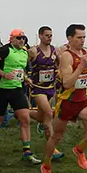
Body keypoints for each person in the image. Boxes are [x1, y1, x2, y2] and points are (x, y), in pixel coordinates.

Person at [41, 24, 87, 173]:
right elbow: (68, 83)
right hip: (67, 101)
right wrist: (82, 67)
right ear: (69, 38)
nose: (82, 40)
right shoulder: (66, 56)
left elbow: (81, 75)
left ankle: (79, 149)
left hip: (83, 99)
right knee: (56, 136)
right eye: (79, 37)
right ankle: (46, 166)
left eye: (84, 37)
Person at [0, 28, 39, 163]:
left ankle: (27, 151)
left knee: (25, 118)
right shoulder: (5, 50)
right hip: (2, 90)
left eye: (23, 38)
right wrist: (3, 74)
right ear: (12, 39)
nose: (22, 40)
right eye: (19, 38)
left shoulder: (24, 53)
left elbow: (20, 70)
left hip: (17, 90)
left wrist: (25, 78)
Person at [27, 26, 63, 160]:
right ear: (40, 36)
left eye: (51, 35)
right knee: (48, 114)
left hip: (50, 88)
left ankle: (24, 112)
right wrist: (26, 78)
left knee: (42, 116)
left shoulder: (54, 50)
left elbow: (59, 64)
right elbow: (22, 65)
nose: (49, 37)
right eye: (47, 35)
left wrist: (58, 71)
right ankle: (52, 149)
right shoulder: (33, 51)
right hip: (37, 88)